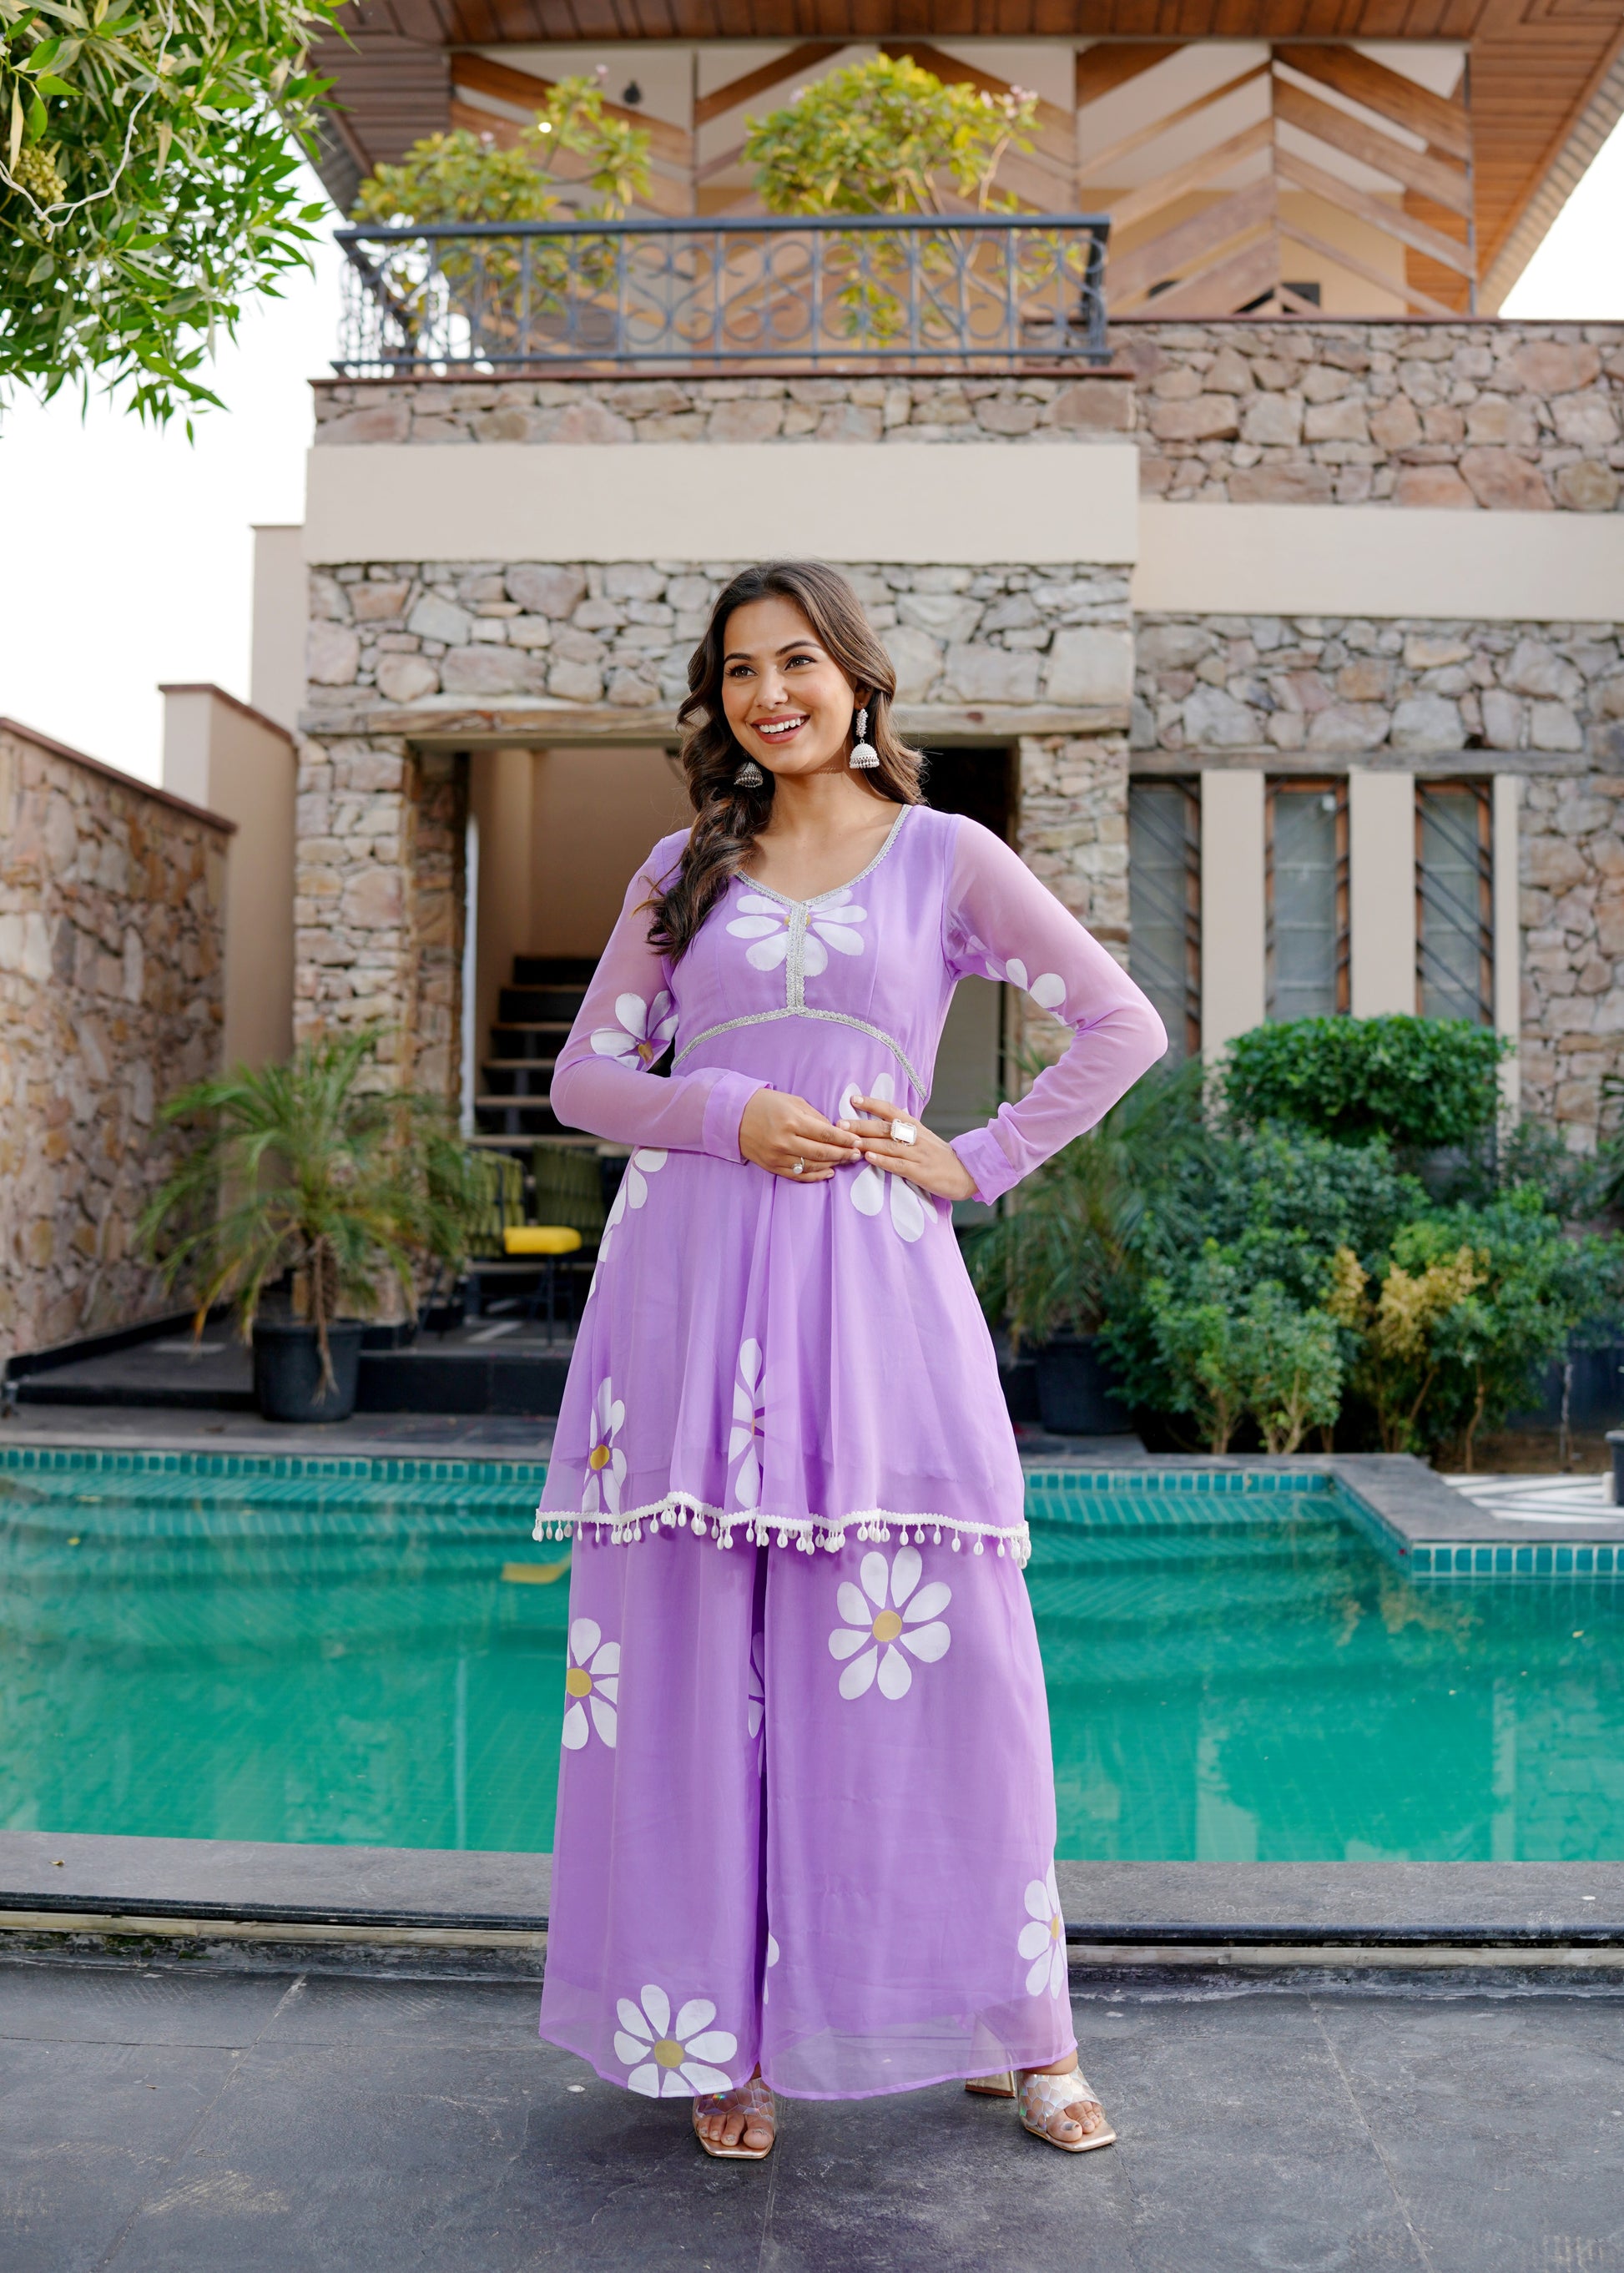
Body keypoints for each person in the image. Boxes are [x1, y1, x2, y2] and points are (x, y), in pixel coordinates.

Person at [532, 560, 1166, 2158]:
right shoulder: (682, 868)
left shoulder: (947, 857)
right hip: (686, 1295)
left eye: (797, 660)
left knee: (946, 1662)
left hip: (872, 1296)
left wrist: (981, 1157)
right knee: (698, 1667)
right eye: (741, 669)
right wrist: (722, 1112)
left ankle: (1019, 2029)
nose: (770, 693)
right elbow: (585, 1083)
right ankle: (719, 2035)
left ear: (857, 680)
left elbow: (1120, 1024)